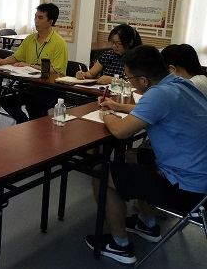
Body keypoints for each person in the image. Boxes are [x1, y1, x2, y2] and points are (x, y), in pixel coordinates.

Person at [85, 45, 207, 265]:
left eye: (129, 78)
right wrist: (118, 106)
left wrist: (107, 114)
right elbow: (156, 110)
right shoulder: (178, 84)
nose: (128, 81)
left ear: (143, 80)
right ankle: (146, 223)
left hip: (186, 189)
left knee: (101, 174)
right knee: (133, 155)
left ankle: (120, 245)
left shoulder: (159, 95)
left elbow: (120, 132)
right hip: (200, 177)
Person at [0, 3, 68, 123]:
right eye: (35, 17)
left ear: (50, 21)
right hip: (29, 84)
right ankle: (25, 123)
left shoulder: (59, 43)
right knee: (5, 100)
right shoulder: (30, 39)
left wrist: (29, 65)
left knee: (34, 106)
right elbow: (17, 57)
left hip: (50, 88)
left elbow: (55, 71)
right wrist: (2, 61)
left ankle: (32, 128)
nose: (36, 21)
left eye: (41, 18)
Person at [76, 24, 142, 84]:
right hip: (102, 91)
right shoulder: (108, 55)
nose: (114, 46)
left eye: (118, 43)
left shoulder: (137, 59)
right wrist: (83, 74)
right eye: (113, 43)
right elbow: (91, 73)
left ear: (130, 43)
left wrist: (114, 80)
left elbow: (138, 83)